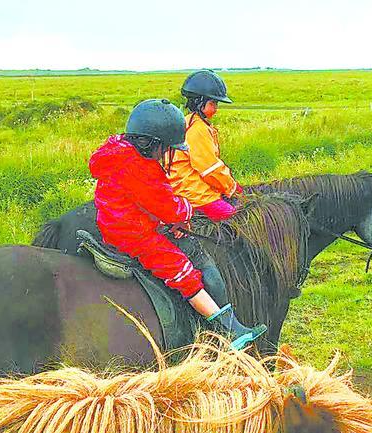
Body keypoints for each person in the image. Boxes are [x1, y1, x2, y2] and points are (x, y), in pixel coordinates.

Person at [89, 98, 266, 350]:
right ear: (151, 144)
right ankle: (227, 331)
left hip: (119, 220)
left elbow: (139, 202)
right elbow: (168, 207)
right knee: (180, 268)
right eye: (165, 149)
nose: (166, 155)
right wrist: (186, 210)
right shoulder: (140, 169)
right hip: (132, 233)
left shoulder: (119, 155)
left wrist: (164, 217)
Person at [166, 70, 242, 221]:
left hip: (184, 185)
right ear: (199, 103)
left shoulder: (189, 121)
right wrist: (232, 188)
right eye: (212, 103)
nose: (216, 108)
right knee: (236, 219)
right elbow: (210, 169)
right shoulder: (198, 129)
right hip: (192, 192)